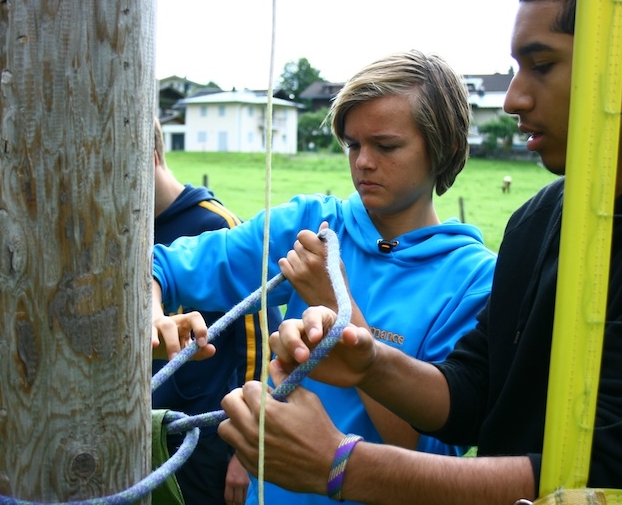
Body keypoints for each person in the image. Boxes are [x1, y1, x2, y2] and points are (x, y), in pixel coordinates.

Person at [216, 0, 622, 502]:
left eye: (541, 65)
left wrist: (341, 466)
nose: (515, 97)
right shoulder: (537, 221)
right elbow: (474, 392)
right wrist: (370, 361)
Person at [151, 51, 497, 504]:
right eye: (353, 145)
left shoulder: (475, 279)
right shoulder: (313, 226)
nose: (363, 162)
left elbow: (427, 449)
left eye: (386, 146)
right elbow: (164, 266)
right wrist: (152, 314)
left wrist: (342, 311)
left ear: (446, 147)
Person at [150, 118, 284, 505]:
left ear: (152, 158)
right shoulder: (131, 226)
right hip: (160, 425)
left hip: (213, 438)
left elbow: (263, 347)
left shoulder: (215, 225)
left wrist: (245, 454)